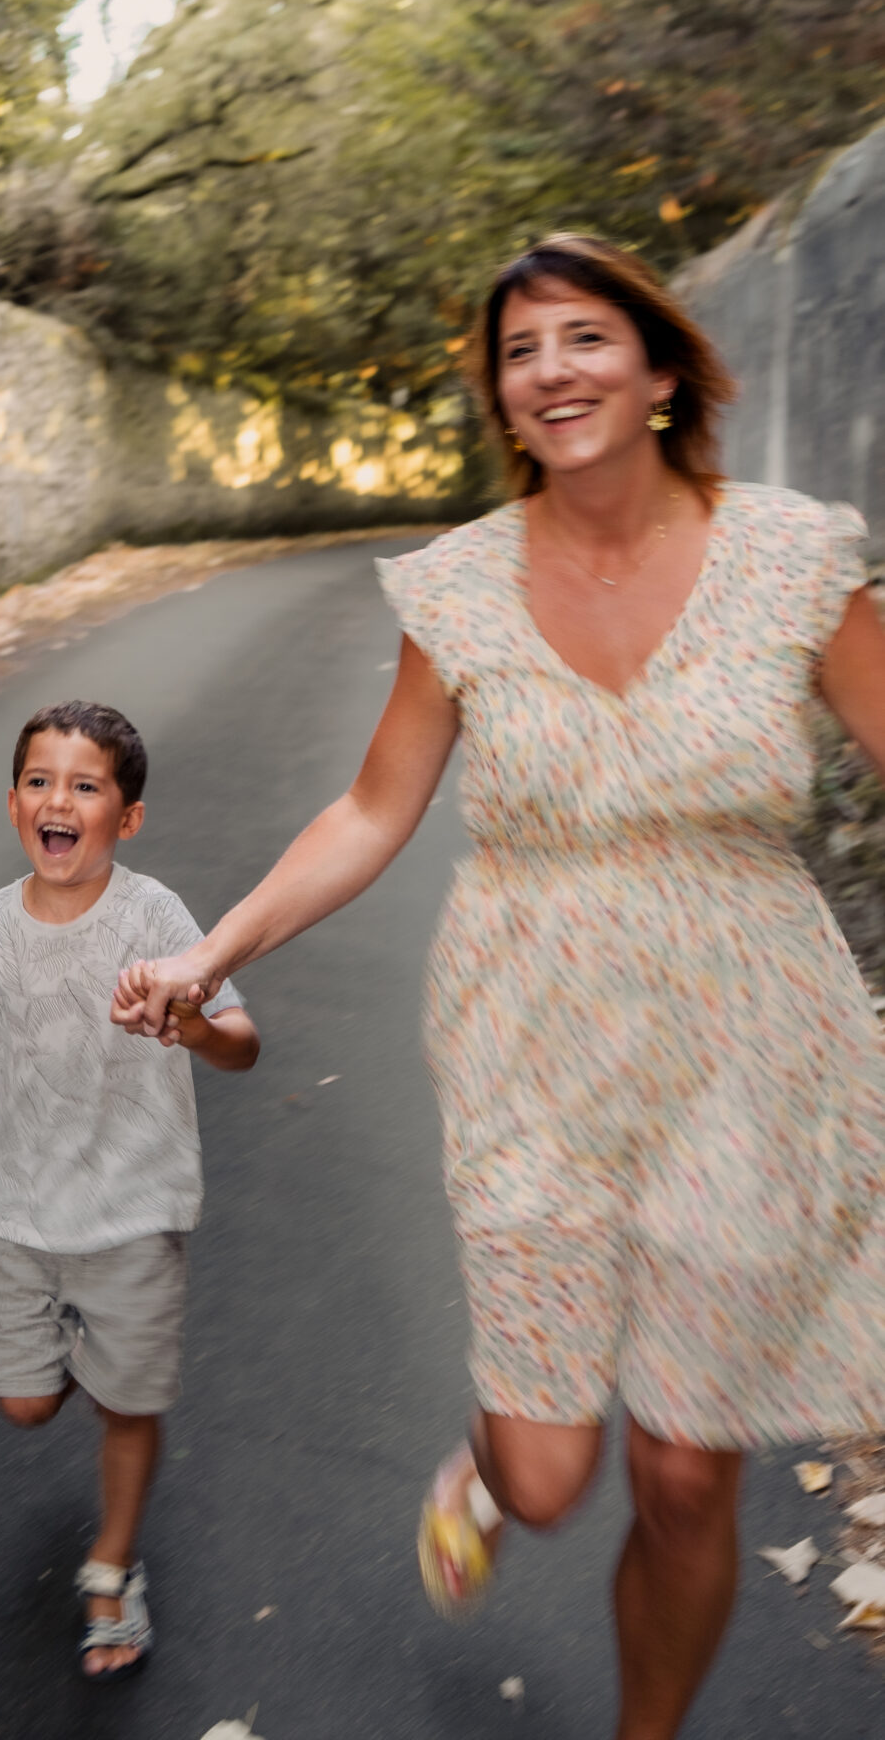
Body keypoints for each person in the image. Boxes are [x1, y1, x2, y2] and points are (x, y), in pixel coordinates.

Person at [112, 232, 885, 1740]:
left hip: (752, 1045)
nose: (550, 372)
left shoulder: (790, 556)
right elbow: (369, 810)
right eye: (520, 353)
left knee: (679, 1469)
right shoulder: (457, 590)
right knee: (545, 1479)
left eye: (583, 338)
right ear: (500, 397)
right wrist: (208, 951)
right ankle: (483, 1456)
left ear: (659, 369)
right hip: (526, 1037)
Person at [0, 701, 259, 1679]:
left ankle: (112, 1563)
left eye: (86, 784)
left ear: (127, 817)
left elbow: (244, 1040)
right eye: (38, 780)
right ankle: (85, 1365)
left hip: (138, 1206)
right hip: (25, 1209)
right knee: (23, 1404)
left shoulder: (154, 916)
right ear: (13, 800)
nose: (58, 799)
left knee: (126, 1405)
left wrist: (189, 1023)